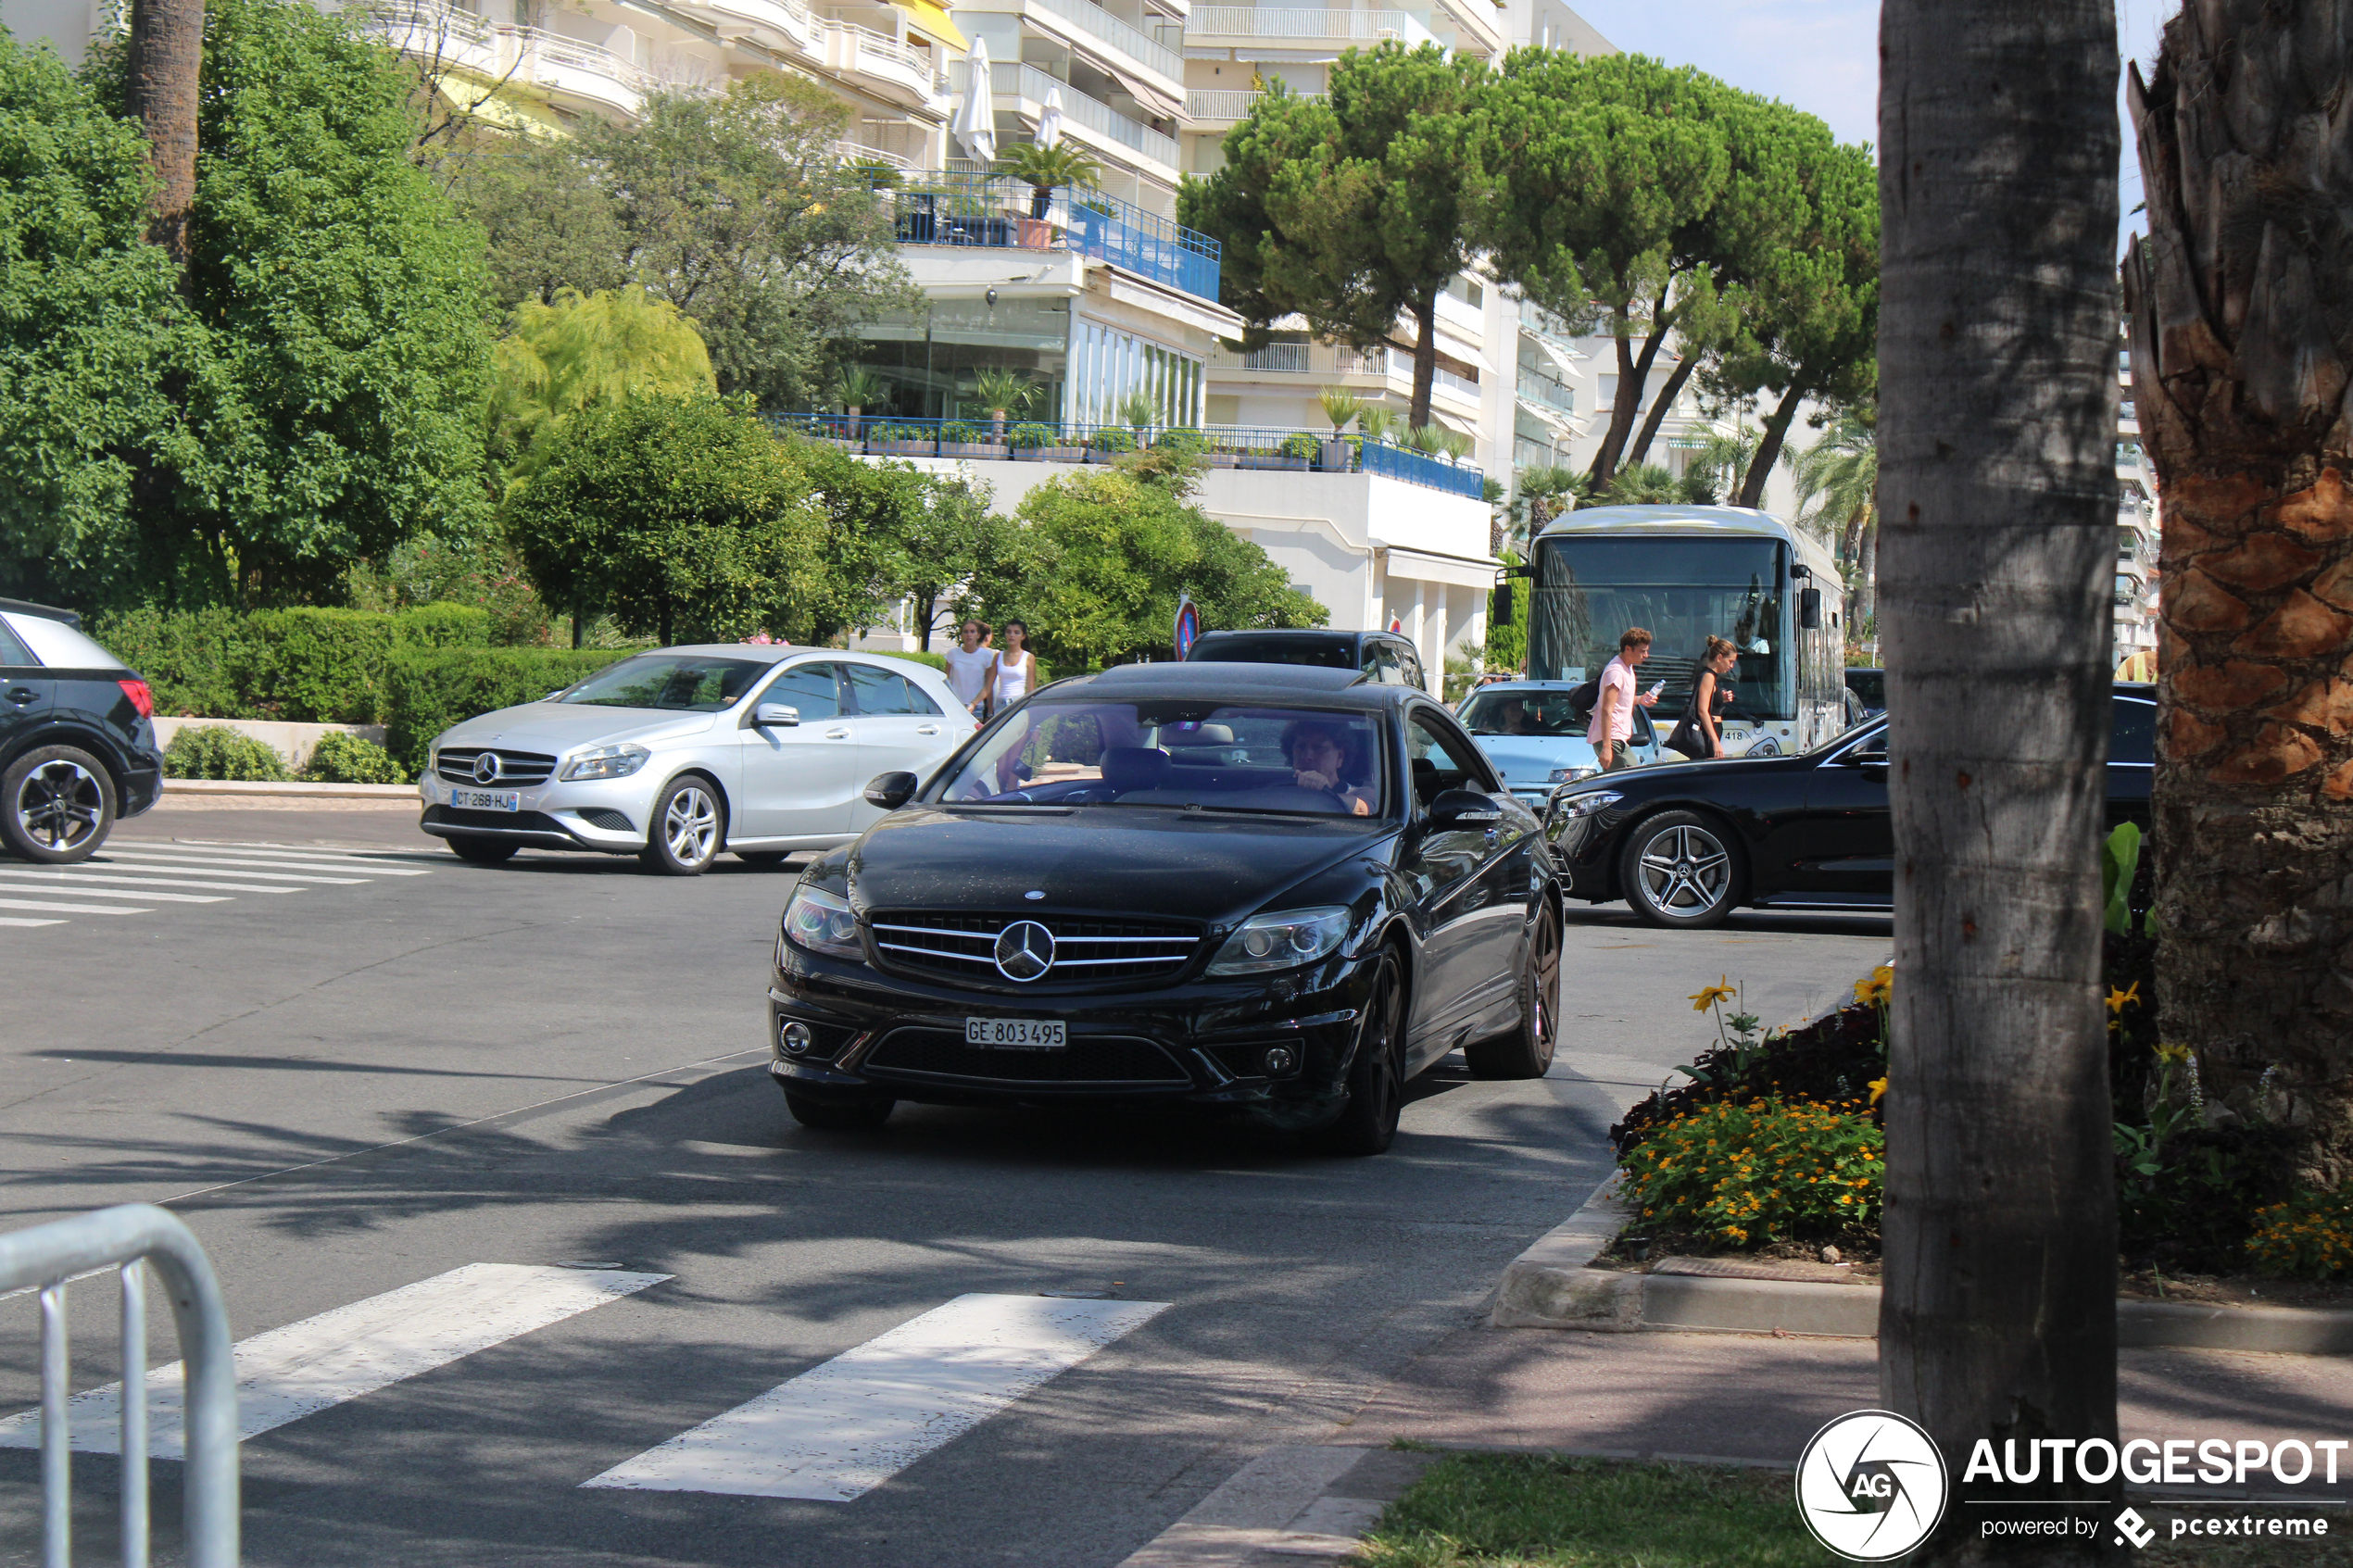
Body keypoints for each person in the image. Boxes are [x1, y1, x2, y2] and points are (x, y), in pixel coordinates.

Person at [1586, 626, 1657, 771]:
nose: (1646, 655)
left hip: (1617, 739)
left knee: (1626, 781)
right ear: (1628, 649)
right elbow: (1606, 709)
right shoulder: (1616, 672)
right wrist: (1606, 747)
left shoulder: (1627, 668)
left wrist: (1640, 700)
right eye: (1642, 651)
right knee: (1628, 780)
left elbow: (1620, 701)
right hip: (1611, 739)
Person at [1667, 635, 1739, 760]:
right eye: (1730, 661)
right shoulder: (1708, 676)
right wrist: (1715, 741)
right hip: (1707, 732)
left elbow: (1708, 702)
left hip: (1711, 730)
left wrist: (1721, 698)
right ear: (1719, 657)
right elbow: (1702, 710)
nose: (1732, 666)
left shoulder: (1711, 676)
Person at [1283, 719, 1375, 815]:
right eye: (1300, 746)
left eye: (1319, 748)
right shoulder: (1279, 789)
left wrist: (1325, 792)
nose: (1307, 756)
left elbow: (1362, 807)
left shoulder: (1363, 793)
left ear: (1340, 757)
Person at [943, 620, 993, 718]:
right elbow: (946, 681)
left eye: (972, 631)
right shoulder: (953, 654)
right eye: (965, 632)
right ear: (961, 635)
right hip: (955, 704)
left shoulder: (986, 655)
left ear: (978, 635)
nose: (969, 635)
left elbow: (988, 686)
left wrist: (990, 711)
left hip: (976, 706)